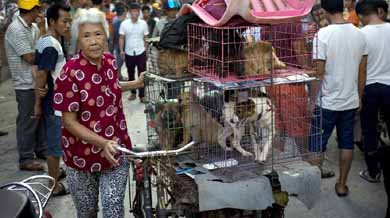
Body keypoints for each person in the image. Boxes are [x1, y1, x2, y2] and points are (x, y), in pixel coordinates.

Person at [53, 8, 144, 217]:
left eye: (98, 33)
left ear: (105, 34)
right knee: (87, 212)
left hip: (115, 149)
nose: (93, 41)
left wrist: (136, 83)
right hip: (80, 156)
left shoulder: (110, 60)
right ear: (78, 40)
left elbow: (111, 86)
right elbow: (69, 122)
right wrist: (101, 143)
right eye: (86, 36)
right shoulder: (70, 72)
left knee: (113, 208)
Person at [310, 0, 368, 197]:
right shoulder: (359, 34)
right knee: (346, 143)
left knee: (317, 144)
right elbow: (362, 71)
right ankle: (342, 185)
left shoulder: (322, 35)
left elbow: (318, 73)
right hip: (350, 100)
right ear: (342, 8)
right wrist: (358, 98)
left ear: (324, 11)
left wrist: (312, 100)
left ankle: (313, 187)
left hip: (326, 101)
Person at [33, 3, 72, 197]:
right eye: (64, 22)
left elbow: (37, 69)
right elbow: (41, 74)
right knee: (55, 146)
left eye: (69, 22)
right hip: (54, 104)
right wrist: (38, 103)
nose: (67, 26)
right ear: (52, 22)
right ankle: (54, 185)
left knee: (55, 143)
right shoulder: (50, 45)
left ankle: (55, 174)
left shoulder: (45, 40)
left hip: (54, 101)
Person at [4, 0, 47, 171]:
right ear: (33, 9)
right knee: (27, 120)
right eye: (38, 9)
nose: (40, 12)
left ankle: (40, 149)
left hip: (35, 80)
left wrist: (42, 34)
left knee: (39, 118)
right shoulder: (16, 29)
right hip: (24, 83)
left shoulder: (33, 28)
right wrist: (45, 54)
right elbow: (30, 57)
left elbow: (41, 48)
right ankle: (26, 157)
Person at [356, 1, 390, 215]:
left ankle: (373, 171)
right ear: (379, 11)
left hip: (370, 87)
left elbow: (362, 68)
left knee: (369, 130)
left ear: (360, 15)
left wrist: (358, 96)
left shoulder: (360, 34)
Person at [119, 3, 148, 102]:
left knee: (142, 73)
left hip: (141, 51)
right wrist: (121, 50)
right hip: (129, 52)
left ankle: (142, 95)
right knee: (130, 73)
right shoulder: (124, 24)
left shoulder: (143, 23)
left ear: (139, 12)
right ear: (129, 12)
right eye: (133, 11)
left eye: (137, 11)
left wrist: (146, 50)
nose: (135, 13)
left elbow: (145, 38)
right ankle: (133, 93)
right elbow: (121, 37)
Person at [112, 2, 127, 80]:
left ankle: (119, 75)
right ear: (124, 12)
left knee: (119, 62)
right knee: (119, 62)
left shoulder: (114, 20)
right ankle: (118, 76)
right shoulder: (122, 22)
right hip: (121, 45)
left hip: (116, 44)